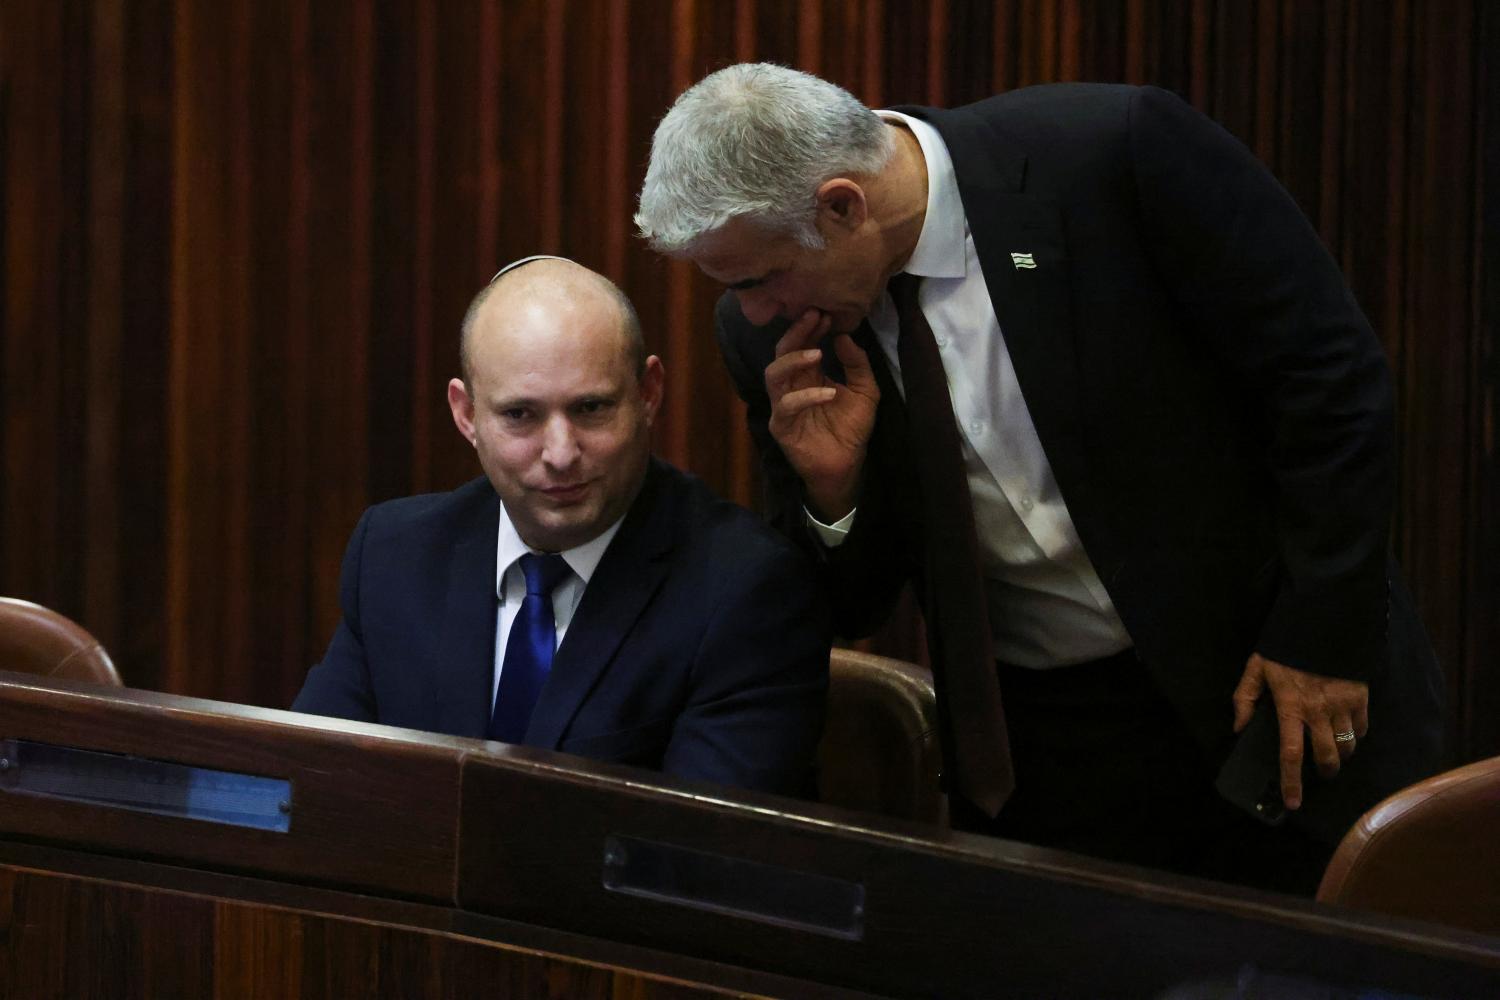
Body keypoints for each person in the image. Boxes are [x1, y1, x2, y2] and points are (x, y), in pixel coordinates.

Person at [634, 64, 1444, 892]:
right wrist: (834, 496)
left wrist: (1319, 636)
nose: (754, 310)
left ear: (843, 205)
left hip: (1274, 682)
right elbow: (853, 602)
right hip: (1055, 756)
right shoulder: (764, 337)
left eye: (759, 278)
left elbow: (1332, 385)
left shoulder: (1114, 154)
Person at [293, 256, 830, 797]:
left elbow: (698, 858)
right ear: (466, 414)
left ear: (648, 394)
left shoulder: (745, 589)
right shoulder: (396, 554)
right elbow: (313, 788)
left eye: (591, 408)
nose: (560, 453)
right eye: (521, 416)